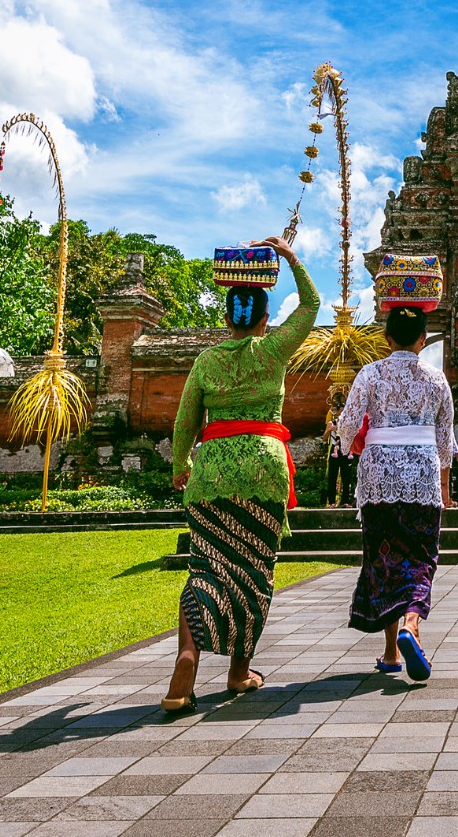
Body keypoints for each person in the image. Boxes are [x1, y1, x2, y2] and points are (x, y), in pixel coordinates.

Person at [165, 235, 316, 710]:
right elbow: (311, 305)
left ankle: (187, 657)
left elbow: (185, 421)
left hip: (210, 474)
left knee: (204, 567)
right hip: (263, 473)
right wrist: (290, 258)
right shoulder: (273, 351)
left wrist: (180, 465)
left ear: (227, 317)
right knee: (253, 573)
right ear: (265, 318)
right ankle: (237, 671)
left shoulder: (206, 361)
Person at [339, 303, 456, 682]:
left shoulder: (371, 373)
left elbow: (348, 423)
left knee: (384, 557)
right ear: (423, 339)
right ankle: (410, 624)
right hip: (421, 474)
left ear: (387, 338)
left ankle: (391, 652)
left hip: (378, 477)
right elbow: (444, 440)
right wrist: (444, 487)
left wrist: (348, 447)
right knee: (420, 556)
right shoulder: (436, 379)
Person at [324, 414, 356, 508]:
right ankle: (332, 502)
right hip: (335, 449)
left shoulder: (349, 423)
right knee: (332, 476)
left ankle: (345, 501)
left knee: (346, 477)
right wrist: (329, 430)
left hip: (345, 449)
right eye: (341, 411)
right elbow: (324, 438)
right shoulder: (332, 422)